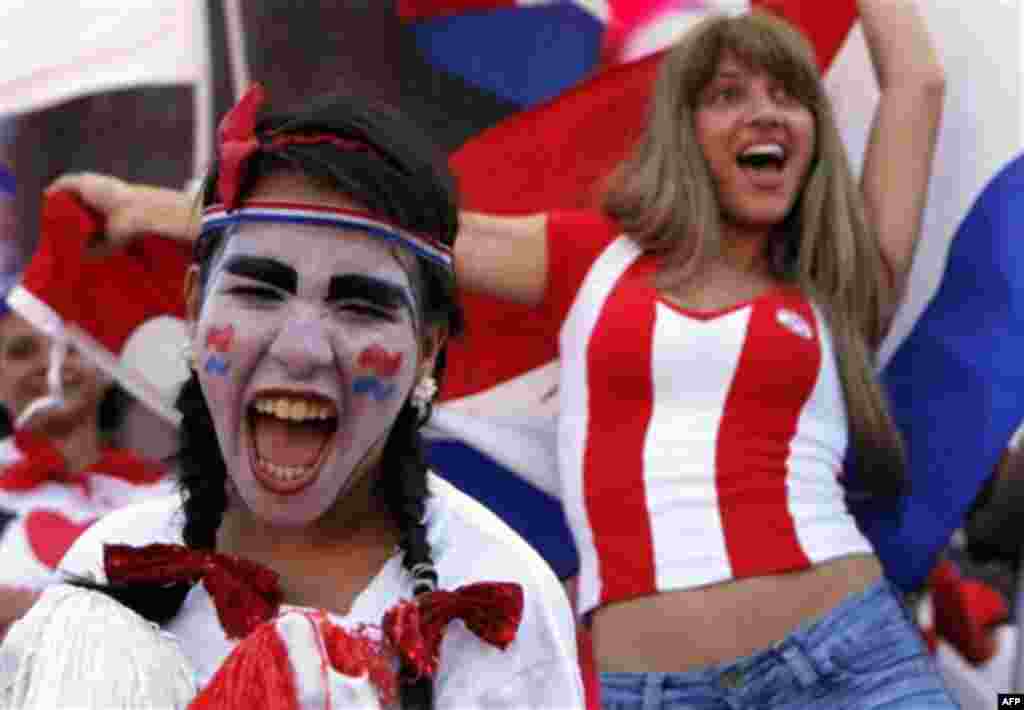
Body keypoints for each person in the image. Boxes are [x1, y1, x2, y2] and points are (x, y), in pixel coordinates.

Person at [48, 3, 948, 707]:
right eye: (728, 94)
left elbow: (917, 83)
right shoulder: (596, 257)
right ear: (685, 130)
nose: (764, 113)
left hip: (847, 654)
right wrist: (160, 207)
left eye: (788, 95)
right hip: (654, 691)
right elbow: (379, 224)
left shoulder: (839, 281)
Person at [15, 87, 583, 708]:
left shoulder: (500, 600)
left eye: (360, 305)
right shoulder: (109, 568)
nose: (303, 349)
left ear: (426, 348)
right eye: (261, 292)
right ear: (194, 307)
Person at [0, 297, 172, 638]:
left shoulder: (167, 498)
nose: (49, 367)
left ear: (108, 368)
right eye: (23, 350)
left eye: (70, 349)